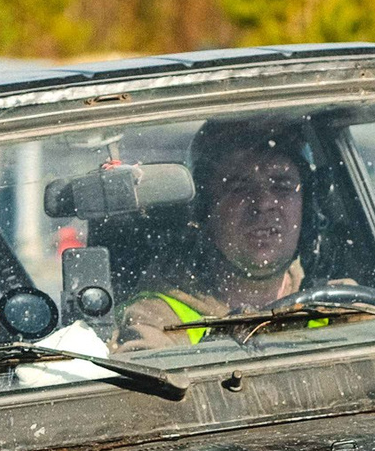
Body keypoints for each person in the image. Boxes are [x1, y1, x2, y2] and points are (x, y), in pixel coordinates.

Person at [116, 118, 312, 350]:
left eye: (281, 185)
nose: (264, 202)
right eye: (239, 187)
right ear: (203, 210)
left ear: (307, 207)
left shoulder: (342, 304)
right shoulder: (156, 319)